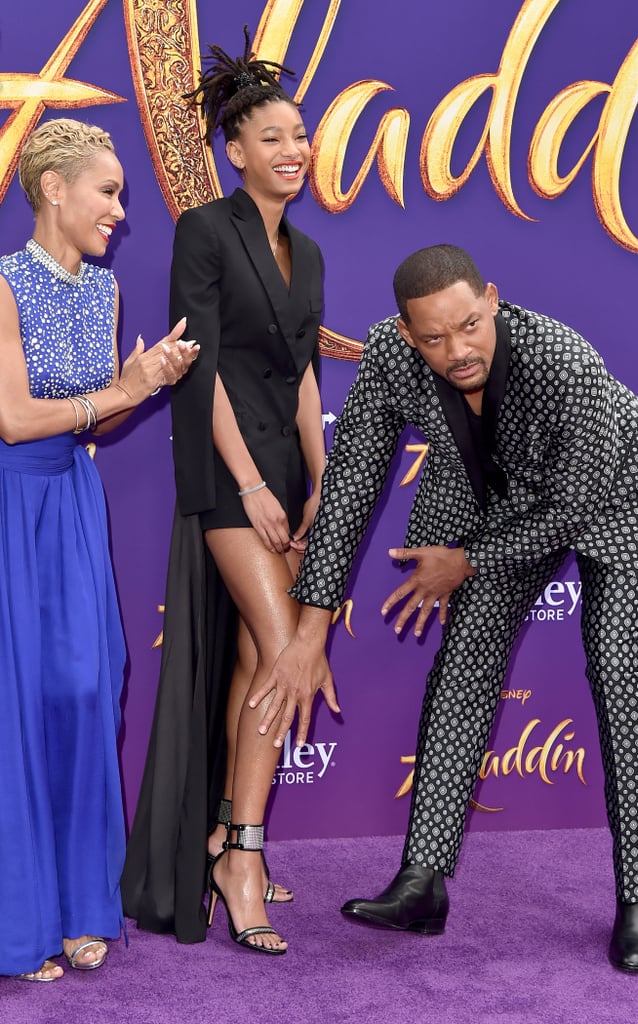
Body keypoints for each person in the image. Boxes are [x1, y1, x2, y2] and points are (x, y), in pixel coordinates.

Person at [252, 244, 638, 972]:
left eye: (469, 327)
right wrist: (310, 629)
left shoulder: (561, 360)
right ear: (405, 330)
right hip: (509, 498)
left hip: (623, 497)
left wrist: (469, 560)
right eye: (432, 338)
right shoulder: (391, 356)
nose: (455, 351)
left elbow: (573, 506)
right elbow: (352, 486)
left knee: (616, 664)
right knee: (466, 658)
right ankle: (422, 883)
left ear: (492, 298)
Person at [121, 35, 337, 956]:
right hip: (222, 472)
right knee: (287, 647)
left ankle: (226, 835)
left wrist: (323, 472)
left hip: (286, 474)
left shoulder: (311, 252)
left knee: (259, 658)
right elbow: (197, 364)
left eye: (302, 136)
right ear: (234, 149)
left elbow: (297, 377)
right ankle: (239, 853)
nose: (294, 149)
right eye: (274, 137)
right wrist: (248, 484)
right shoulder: (206, 230)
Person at [0, 118, 198, 983]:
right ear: (53, 189)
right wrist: (116, 391)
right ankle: (21, 919)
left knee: (85, 691)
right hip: (10, 504)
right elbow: (10, 419)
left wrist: (142, 382)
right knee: (17, 707)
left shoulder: (104, 293)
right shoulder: (4, 286)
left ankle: (83, 903)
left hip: (73, 502)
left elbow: (103, 413)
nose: (120, 209)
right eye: (108, 191)